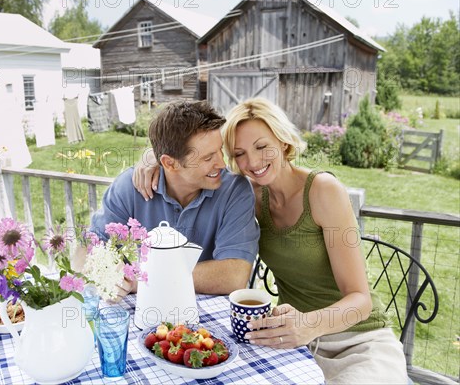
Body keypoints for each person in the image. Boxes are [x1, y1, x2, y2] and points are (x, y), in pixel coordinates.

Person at [134, 98, 408, 384]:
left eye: (262, 147)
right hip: (294, 343)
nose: (252, 162)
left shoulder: (323, 191)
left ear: (284, 141)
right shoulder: (250, 196)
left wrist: (308, 325)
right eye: (239, 153)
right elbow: (189, 159)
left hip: (358, 341)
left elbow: (361, 301)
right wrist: (154, 158)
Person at [90, 100, 260, 301]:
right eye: (208, 158)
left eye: (219, 150)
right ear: (170, 163)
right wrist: (108, 274)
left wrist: (144, 278)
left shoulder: (234, 191)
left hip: (204, 324)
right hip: (139, 313)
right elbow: (89, 248)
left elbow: (234, 276)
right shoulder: (129, 187)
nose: (222, 164)